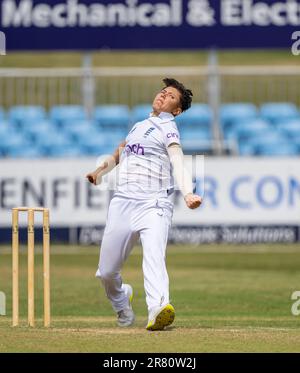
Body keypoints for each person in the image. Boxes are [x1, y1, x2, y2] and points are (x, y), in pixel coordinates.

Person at [86, 78, 202, 331]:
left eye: (170, 96)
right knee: (106, 272)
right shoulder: (139, 125)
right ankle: (121, 302)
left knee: (154, 256)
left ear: (177, 110)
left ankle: (158, 308)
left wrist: (187, 192)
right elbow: (120, 152)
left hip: (154, 202)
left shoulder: (168, 127)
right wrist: (99, 172)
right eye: (163, 91)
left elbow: (177, 159)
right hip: (123, 202)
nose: (163, 95)